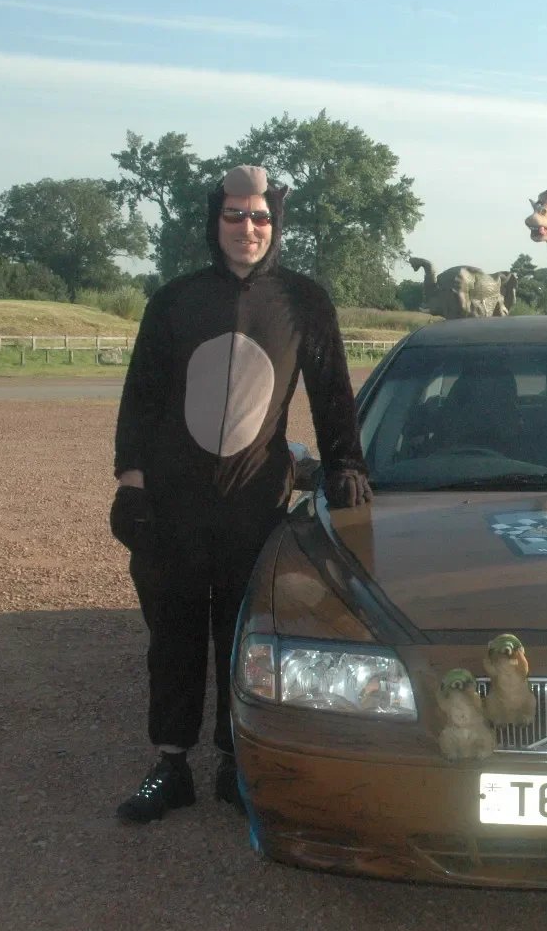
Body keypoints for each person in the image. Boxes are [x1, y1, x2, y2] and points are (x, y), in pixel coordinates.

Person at [109, 165, 372, 823]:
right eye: (234, 214)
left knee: (240, 638)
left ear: (276, 223)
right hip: (171, 506)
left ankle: (234, 762)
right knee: (172, 636)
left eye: (259, 216)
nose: (247, 227)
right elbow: (140, 397)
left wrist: (344, 463)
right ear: (213, 221)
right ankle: (170, 765)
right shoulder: (173, 300)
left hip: (254, 505)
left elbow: (332, 393)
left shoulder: (304, 302)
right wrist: (131, 482)